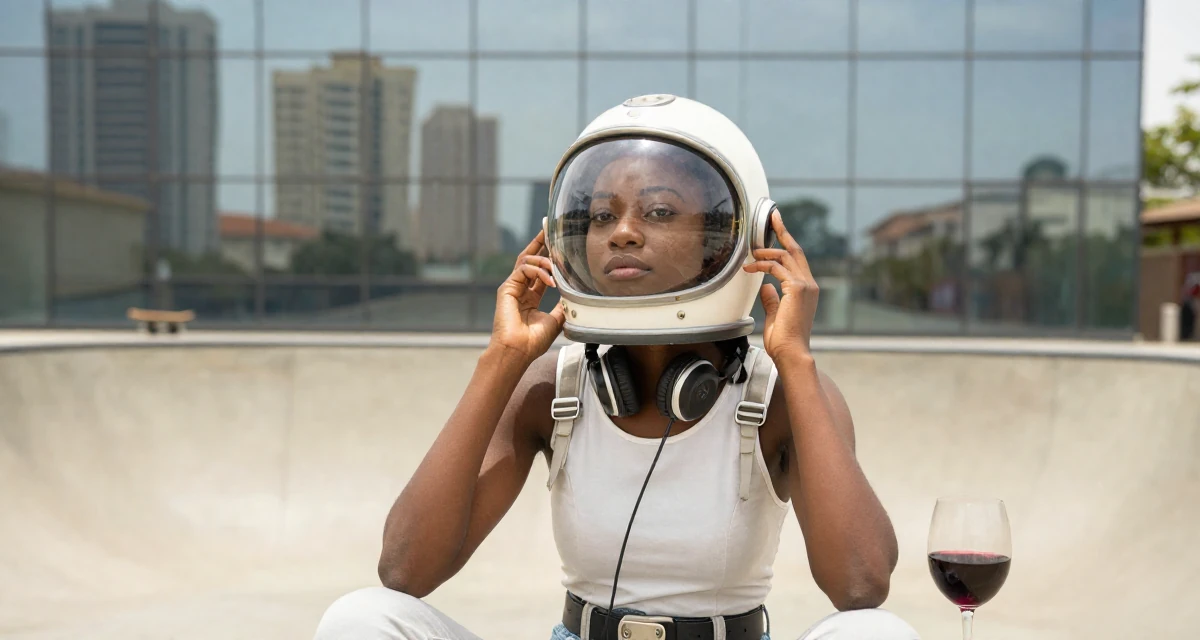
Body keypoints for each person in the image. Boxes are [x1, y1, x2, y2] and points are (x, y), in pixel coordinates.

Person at [314, 95, 918, 640]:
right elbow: (405, 569)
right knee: (361, 617)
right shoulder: (553, 383)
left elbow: (861, 588)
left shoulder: (781, 393)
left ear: (734, 234)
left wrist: (797, 360)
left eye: (658, 212)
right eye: (601, 216)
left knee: (879, 635)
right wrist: (501, 362)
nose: (622, 233)